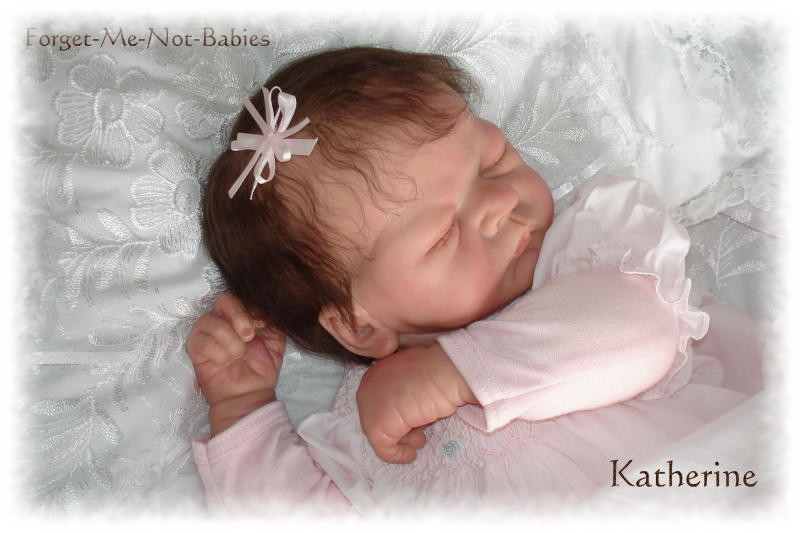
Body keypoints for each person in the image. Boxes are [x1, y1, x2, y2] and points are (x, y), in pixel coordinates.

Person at [187, 47, 763, 515]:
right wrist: (242, 410)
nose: (501, 200)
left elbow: (642, 334)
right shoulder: (370, 433)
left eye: (493, 162)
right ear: (360, 326)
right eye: (442, 233)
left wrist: (456, 372)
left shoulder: (590, 254)